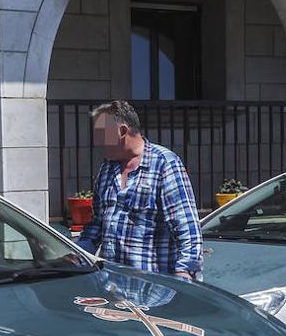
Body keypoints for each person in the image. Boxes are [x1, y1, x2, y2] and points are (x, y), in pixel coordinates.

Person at [78, 100, 203, 281]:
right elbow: (97, 224)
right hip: (113, 286)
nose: (96, 142)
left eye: (100, 134)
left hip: (154, 290)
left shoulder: (164, 163)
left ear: (122, 131)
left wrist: (185, 272)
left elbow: (185, 226)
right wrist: (77, 252)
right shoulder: (107, 169)